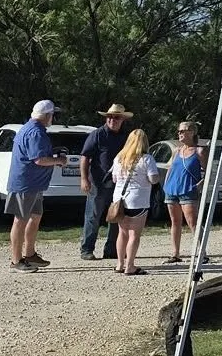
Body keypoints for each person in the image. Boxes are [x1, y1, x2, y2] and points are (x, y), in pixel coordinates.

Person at [6, 99, 67, 272]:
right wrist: (59, 160)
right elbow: (39, 159)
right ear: (47, 115)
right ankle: (16, 260)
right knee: (20, 220)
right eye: (53, 115)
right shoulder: (36, 133)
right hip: (26, 184)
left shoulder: (30, 129)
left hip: (34, 184)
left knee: (35, 216)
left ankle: (30, 254)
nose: (53, 118)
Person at [79, 102, 132, 262]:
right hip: (98, 183)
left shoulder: (126, 136)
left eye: (116, 118)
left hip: (119, 184)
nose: (112, 120)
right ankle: (87, 249)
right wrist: (84, 178)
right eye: (109, 117)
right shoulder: (97, 134)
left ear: (122, 119)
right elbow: (85, 157)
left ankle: (112, 250)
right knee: (93, 216)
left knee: (116, 216)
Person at [109, 128, 162, 276]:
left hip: (119, 199)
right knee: (134, 234)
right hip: (138, 200)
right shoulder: (147, 159)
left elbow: (114, 178)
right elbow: (153, 179)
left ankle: (119, 264)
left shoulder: (119, 157)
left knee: (122, 232)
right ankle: (130, 265)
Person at [163, 120, 205, 264]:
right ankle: (175, 253)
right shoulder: (176, 151)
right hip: (172, 189)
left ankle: (202, 252)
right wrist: (166, 185)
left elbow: (209, 170)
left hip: (188, 189)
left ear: (192, 132)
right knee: (175, 222)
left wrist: (202, 183)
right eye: (179, 131)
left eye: (183, 130)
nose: (180, 133)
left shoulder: (199, 151)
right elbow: (170, 168)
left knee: (193, 222)